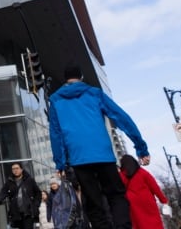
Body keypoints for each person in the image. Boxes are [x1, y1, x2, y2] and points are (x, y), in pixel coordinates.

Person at [49, 65, 151, 229]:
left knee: (93, 201)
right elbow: (121, 117)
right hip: (103, 154)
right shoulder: (94, 93)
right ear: (81, 77)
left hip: (78, 157)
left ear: (65, 80)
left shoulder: (55, 99)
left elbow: (55, 133)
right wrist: (141, 147)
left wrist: (59, 162)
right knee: (116, 196)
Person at [118, 154, 168, 229]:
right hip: (147, 200)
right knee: (154, 223)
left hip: (132, 204)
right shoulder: (142, 172)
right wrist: (163, 200)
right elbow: (154, 186)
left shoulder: (121, 176)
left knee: (140, 224)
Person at [0, 162, 41, 228]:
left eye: (17, 168)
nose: (15, 170)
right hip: (16, 213)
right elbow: (3, 192)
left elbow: (38, 193)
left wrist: (36, 204)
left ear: (21, 169)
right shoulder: (9, 182)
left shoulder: (29, 180)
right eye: (13, 169)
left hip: (28, 212)